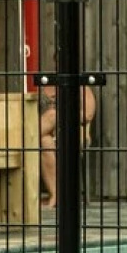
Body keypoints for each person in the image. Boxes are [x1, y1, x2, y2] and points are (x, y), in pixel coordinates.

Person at [39, 78, 97, 209]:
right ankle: (56, 195)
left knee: (52, 115)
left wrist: (62, 115)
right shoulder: (46, 86)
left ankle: (24, 141)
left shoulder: (82, 87)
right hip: (47, 133)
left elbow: (87, 115)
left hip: (71, 129)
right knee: (45, 142)